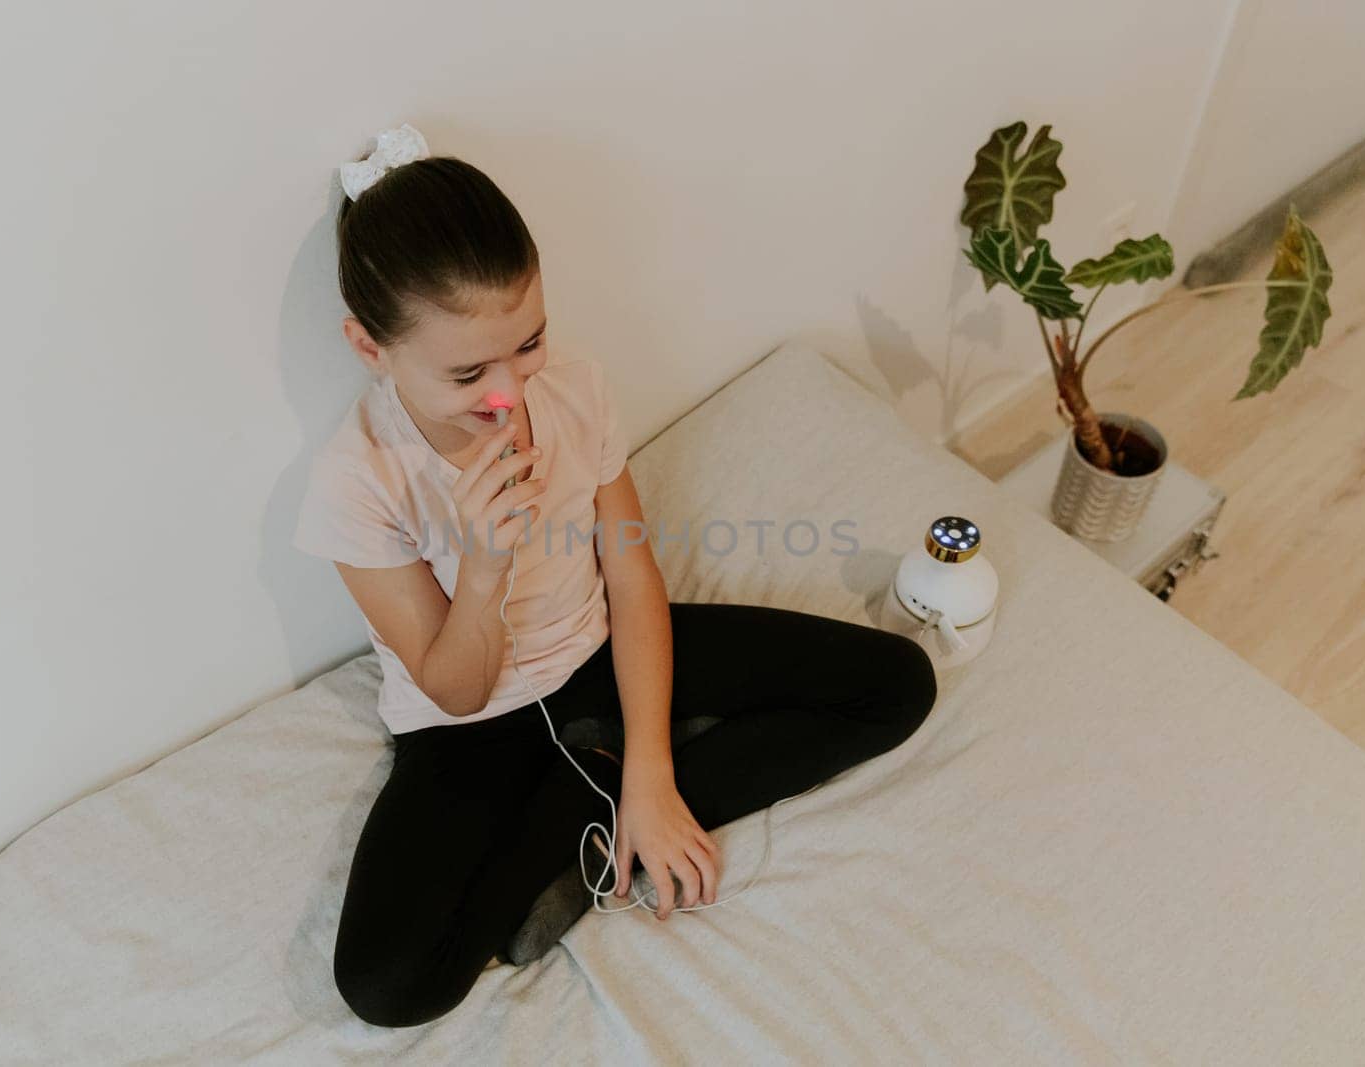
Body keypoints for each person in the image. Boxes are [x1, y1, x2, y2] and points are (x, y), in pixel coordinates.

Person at [293, 125, 939, 1029]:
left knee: (896, 684)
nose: (509, 392)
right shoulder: (357, 479)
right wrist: (482, 569)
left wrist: (653, 768)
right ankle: (583, 806)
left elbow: (632, 574)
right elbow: (455, 686)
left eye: (530, 343)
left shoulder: (576, 389)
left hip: (598, 650)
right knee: (388, 984)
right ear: (371, 348)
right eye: (469, 371)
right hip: (467, 724)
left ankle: (623, 791)